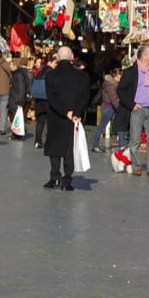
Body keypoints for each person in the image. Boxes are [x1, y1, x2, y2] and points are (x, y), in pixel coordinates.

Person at [43, 46, 91, 191]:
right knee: (70, 147)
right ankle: (67, 179)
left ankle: (54, 176)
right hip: (74, 118)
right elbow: (85, 98)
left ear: (57, 58)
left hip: (56, 116)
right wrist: (75, 112)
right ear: (72, 58)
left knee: (55, 147)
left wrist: (64, 112)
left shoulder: (50, 75)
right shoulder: (82, 76)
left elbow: (51, 99)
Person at [117, 46, 149, 176]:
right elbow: (120, 90)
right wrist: (131, 105)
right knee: (135, 140)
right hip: (137, 109)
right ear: (143, 56)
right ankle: (136, 166)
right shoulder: (130, 72)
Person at [92, 65, 121, 152]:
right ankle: (95, 145)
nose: (121, 77)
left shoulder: (113, 83)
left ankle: (122, 144)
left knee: (117, 125)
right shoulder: (111, 85)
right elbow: (113, 99)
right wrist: (119, 109)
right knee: (102, 126)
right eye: (120, 76)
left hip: (109, 107)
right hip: (108, 108)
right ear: (116, 76)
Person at [7, 52, 32, 141]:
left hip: (16, 99)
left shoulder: (19, 75)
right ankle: (16, 133)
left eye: (11, 65)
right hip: (14, 98)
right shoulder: (15, 74)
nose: (10, 66)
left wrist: (20, 101)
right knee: (13, 116)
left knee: (15, 116)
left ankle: (17, 134)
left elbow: (21, 88)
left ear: (15, 65)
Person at [30, 55, 52, 149]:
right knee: (50, 122)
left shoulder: (40, 71)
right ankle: (49, 141)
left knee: (40, 121)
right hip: (48, 99)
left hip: (39, 99)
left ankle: (37, 141)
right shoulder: (51, 71)